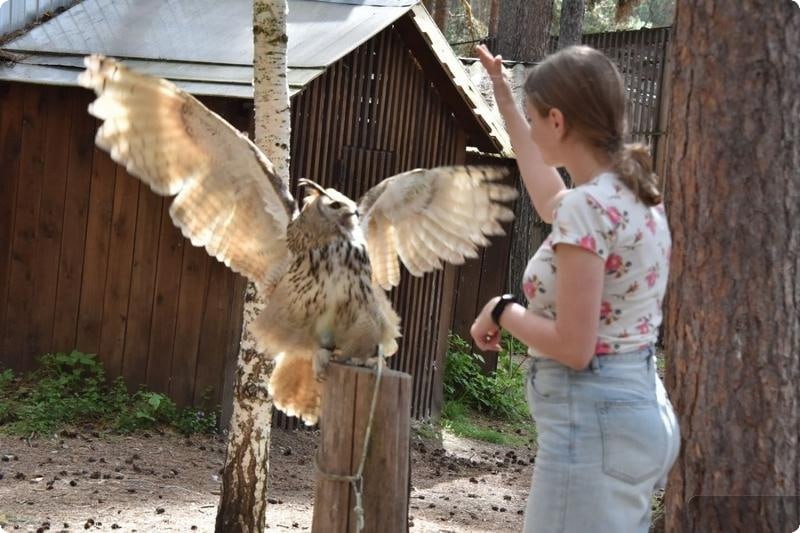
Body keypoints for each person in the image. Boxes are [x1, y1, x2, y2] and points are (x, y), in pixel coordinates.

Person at [470, 44, 681, 532]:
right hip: (637, 413)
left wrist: (503, 310)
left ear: (559, 122)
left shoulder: (587, 208)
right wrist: (505, 99)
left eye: (534, 118)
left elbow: (574, 347)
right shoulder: (634, 194)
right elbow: (549, 197)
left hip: (593, 425)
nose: (533, 127)